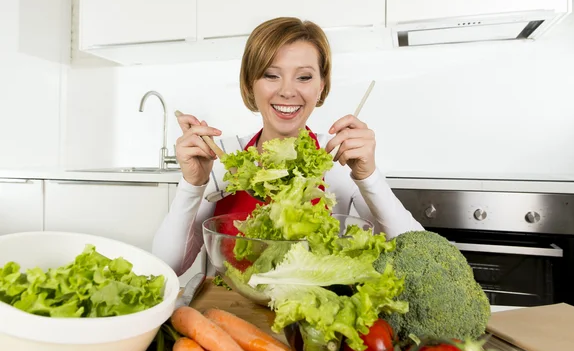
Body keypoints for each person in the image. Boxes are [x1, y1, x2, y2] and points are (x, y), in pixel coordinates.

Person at [152, 17, 423, 276]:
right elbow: (167, 266)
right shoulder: (221, 158)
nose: (287, 91)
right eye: (271, 75)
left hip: (309, 316)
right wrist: (192, 185)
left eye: (304, 77)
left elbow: (415, 256)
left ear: (321, 86)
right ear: (249, 84)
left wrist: (369, 177)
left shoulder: (338, 158)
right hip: (232, 312)